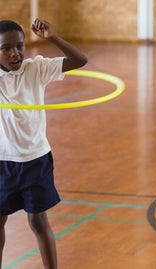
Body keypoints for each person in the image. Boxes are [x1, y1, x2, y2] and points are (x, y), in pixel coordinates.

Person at [0, 19, 87, 268]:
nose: (15, 53)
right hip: (3, 161)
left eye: (19, 45)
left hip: (35, 159)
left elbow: (81, 61)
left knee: (38, 221)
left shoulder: (35, 68)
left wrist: (52, 38)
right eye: (6, 48)